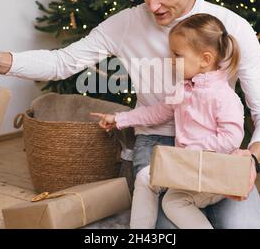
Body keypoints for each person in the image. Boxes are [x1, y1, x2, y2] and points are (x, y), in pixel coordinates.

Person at [0, 0, 260, 228]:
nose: (153, 6)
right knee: (170, 223)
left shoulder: (233, 28)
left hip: (215, 148)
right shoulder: (126, 24)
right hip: (156, 141)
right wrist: (0, 60)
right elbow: (63, 62)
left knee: (242, 224)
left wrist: (251, 155)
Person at [91, 13, 245, 229]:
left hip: (212, 173)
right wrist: (119, 119)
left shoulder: (224, 96)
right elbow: (157, 112)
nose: (171, 61)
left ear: (205, 59)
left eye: (177, 55)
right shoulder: (183, 88)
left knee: (172, 199)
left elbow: (232, 138)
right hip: (188, 168)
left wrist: (192, 150)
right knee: (154, 185)